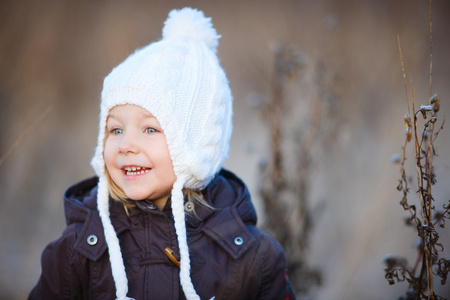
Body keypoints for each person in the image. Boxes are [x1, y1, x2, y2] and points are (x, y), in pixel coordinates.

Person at [29, 7, 296, 300]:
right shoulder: (79, 250)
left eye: (150, 130)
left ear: (196, 144)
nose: (126, 145)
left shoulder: (252, 258)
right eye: (116, 130)